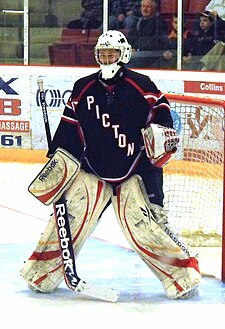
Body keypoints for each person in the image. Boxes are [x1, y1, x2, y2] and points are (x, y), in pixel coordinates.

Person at [20, 30, 201, 299]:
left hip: (133, 171)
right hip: (92, 168)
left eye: (111, 53)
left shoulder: (143, 85)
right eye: (102, 53)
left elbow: (162, 119)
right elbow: (70, 130)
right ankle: (42, 273)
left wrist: (160, 137)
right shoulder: (83, 87)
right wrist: (58, 167)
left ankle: (183, 276)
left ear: (123, 54)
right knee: (68, 220)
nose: (106, 58)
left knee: (145, 227)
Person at [127, 0, 169, 68]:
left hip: (152, 53)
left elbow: (157, 42)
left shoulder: (159, 22)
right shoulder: (139, 22)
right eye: (143, 6)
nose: (145, 9)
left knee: (130, 62)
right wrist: (132, 48)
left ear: (154, 9)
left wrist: (137, 48)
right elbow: (131, 37)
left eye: (148, 7)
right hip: (139, 51)